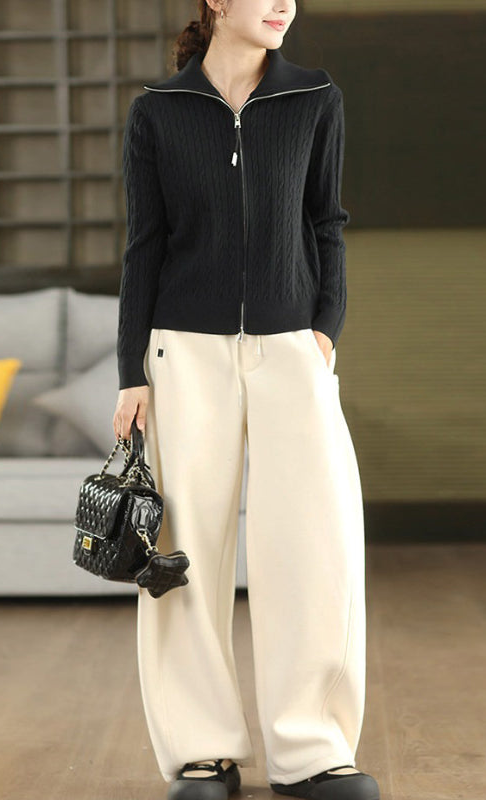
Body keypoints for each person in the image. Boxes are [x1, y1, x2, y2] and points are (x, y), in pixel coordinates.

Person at [112, 2, 378, 799]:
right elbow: (144, 245)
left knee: (315, 543)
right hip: (182, 352)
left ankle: (312, 751)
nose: (283, 3)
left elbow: (326, 223)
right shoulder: (159, 113)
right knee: (183, 549)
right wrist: (131, 372)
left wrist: (323, 330)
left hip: (292, 347)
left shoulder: (314, 97)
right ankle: (202, 751)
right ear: (217, 1)